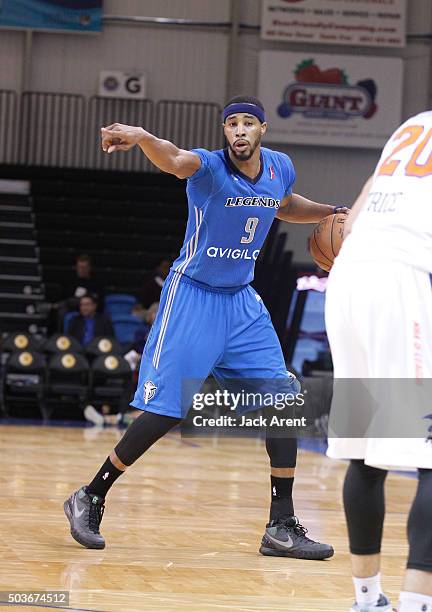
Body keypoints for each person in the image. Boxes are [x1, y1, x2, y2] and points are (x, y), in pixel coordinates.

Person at [64, 95, 347, 557]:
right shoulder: (209, 168)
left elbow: (284, 204)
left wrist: (332, 211)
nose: (239, 130)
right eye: (231, 123)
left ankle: (281, 526)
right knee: (168, 409)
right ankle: (90, 495)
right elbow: (174, 158)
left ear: (262, 130)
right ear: (224, 131)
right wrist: (140, 138)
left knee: (282, 400)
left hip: (241, 303)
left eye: (247, 123)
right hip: (193, 295)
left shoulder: (279, 168)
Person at [325, 111, 432, 611]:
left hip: (349, 278)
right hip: (403, 280)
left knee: (365, 455)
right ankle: (416, 604)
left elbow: (364, 200)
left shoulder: (414, 124)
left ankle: (368, 601)